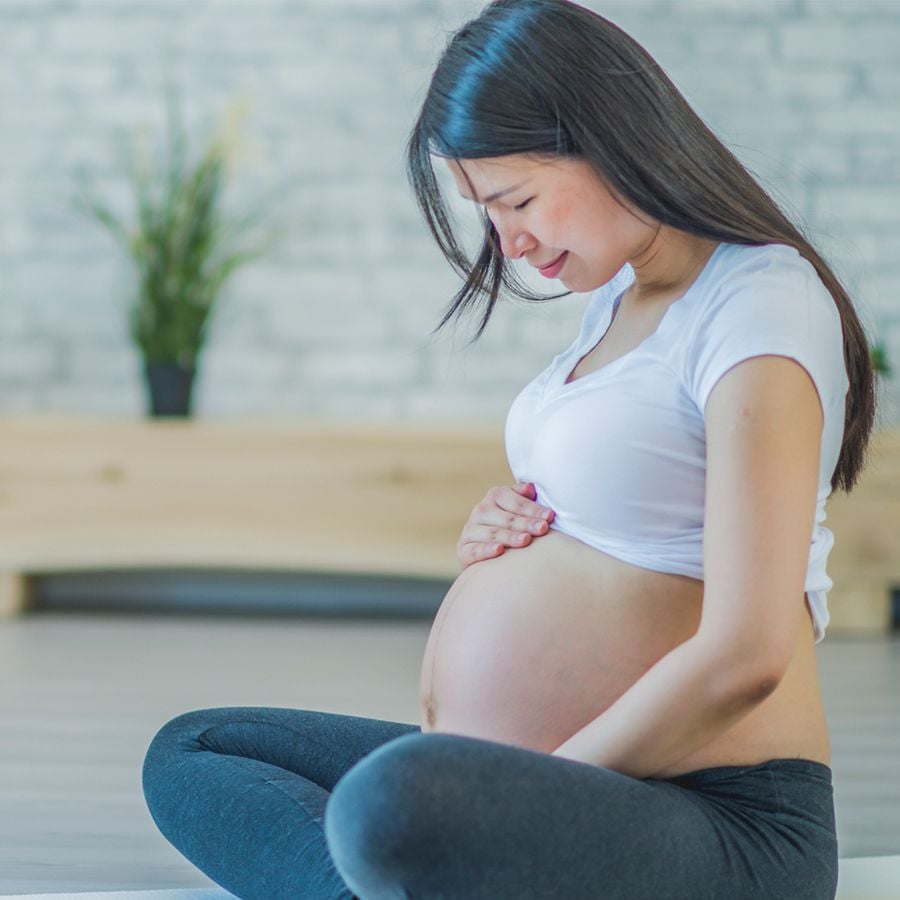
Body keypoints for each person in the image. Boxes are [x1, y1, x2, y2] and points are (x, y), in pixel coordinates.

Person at [141, 1, 877, 898]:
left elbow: (748, 652)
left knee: (394, 806)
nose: (510, 242)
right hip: (544, 783)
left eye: (516, 200)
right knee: (197, 751)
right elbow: (626, 515)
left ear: (607, 137)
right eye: (489, 214)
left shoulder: (759, 300)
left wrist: (535, 788)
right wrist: (515, 528)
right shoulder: (618, 298)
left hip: (719, 817)